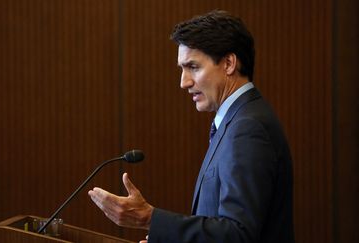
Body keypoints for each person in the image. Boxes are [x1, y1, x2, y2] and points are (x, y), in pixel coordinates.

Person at [88, 10, 294, 243]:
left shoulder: (248, 128)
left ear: (228, 63)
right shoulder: (236, 121)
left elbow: (238, 234)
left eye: (193, 67)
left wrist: (150, 218)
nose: (184, 82)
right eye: (182, 69)